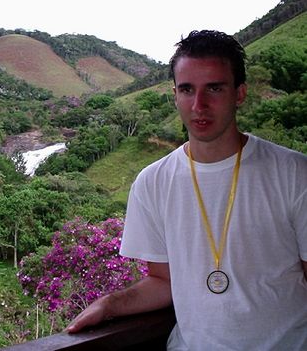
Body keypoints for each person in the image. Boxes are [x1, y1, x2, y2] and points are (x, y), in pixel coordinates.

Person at [65, 30, 307, 350]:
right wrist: (110, 304)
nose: (199, 105)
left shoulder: (293, 173)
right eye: (187, 89)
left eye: (215, 88)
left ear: (240, 93)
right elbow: (163, 281)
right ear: (175, 94)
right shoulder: (152, 182)